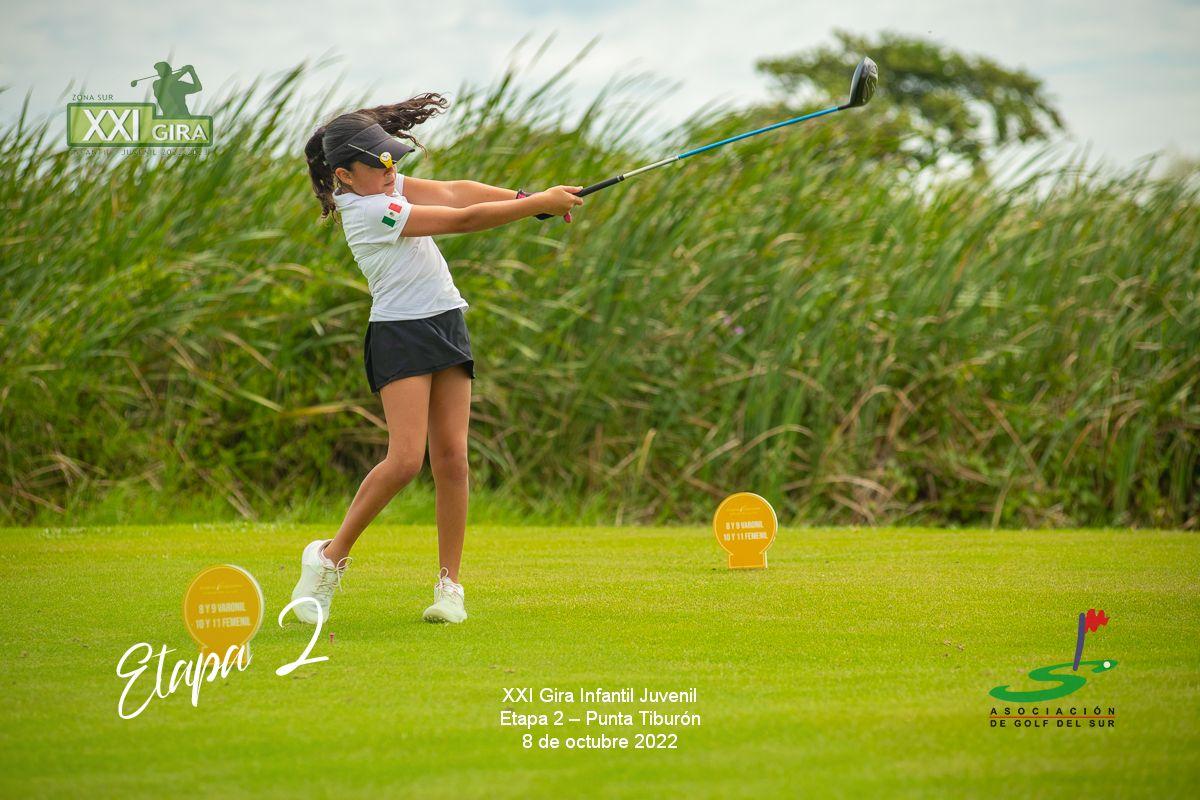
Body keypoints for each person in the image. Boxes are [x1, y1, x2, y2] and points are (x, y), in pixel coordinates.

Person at [295, 94, 583, 624]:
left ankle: (450, 586)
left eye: (393, 159)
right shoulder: (368, 210)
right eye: (379, 163)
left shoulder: (382, 186)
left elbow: (455, 191)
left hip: (445, 320)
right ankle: (329, 557)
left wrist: (528, 198)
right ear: (344, 176)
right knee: (406, 460)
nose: (391, 169)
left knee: (452, 458)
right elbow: (463, 220)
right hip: (399, 334)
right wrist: (533, 204)